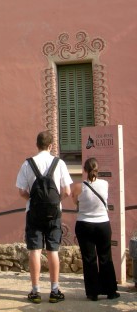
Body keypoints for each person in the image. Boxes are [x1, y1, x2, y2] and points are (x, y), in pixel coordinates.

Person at [16, 130, 73, 304]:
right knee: (53, 250)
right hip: (54, 213)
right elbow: (67, 191)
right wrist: (57, 202)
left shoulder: (28, 164)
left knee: (34, 250)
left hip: (33, 212)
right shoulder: (60, 163)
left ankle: (35, 291)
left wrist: (32, 200)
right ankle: (55, 290)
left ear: (37, 145)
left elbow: (21, 191)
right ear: (50, 146)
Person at [72, 157, 119, 301]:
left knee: (89, 259)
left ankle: (92, 293)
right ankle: (110, 291)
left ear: (84, 170)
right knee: (105, 257)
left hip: (84, 224)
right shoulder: (105, 184)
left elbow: (75, 202)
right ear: (97, 170)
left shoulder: (79, 187)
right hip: (103, 224)